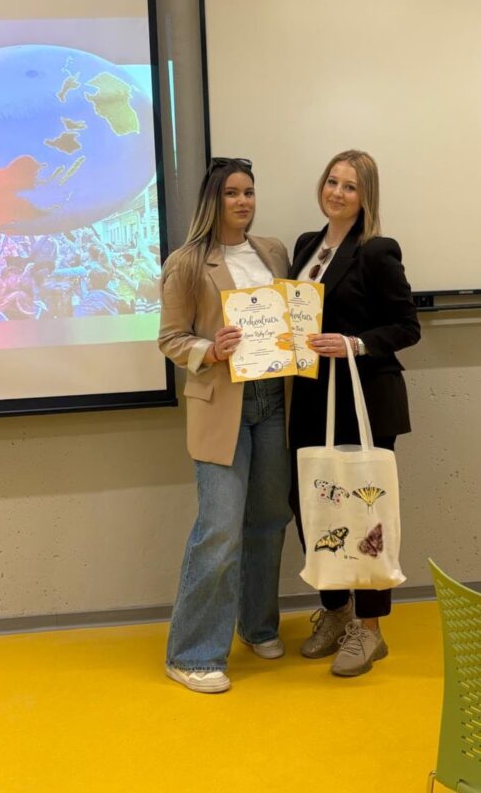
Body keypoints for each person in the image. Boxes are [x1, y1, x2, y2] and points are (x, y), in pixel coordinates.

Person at [158, 157, 292, 694]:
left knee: (269, 520)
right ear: (212, 200)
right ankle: (191, 654)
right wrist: (209, 349)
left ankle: (257, 626)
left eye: (249, 192)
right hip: (221, 405)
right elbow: (170, 339)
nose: (243, 201)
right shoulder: (187, 262)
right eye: (232, 193)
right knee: (219, 529)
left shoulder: (273, 251)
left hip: (273, 401)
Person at [288, 149, 420, 678]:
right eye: (332, 182)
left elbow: (407, 326)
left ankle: (370, 630)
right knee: (312, 506)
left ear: (366, 197)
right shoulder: (306, 245)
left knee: (365, 516)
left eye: (350, 187)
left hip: (365, 398)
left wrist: (355, 344)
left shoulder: (378, 250)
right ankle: (336, 611)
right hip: (312, 398)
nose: (337, 193)